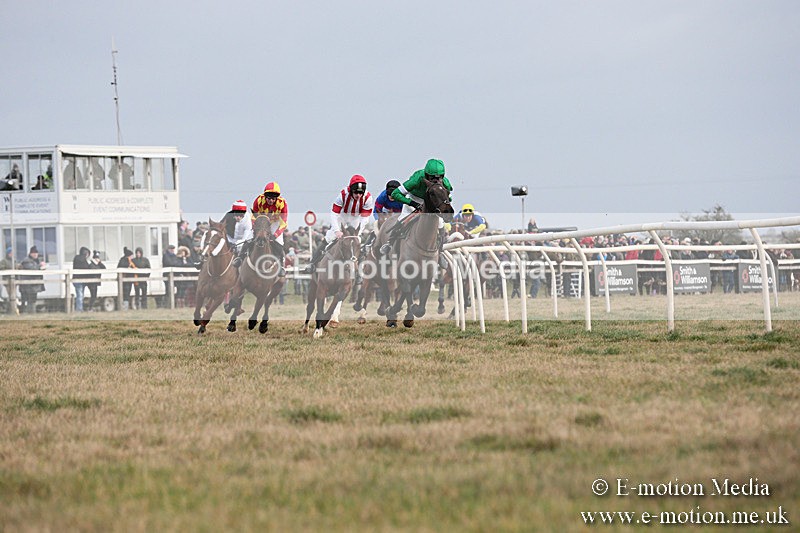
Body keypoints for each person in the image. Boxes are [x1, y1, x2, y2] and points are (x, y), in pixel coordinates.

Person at [379, 159, 452, 261]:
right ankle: (389, 244)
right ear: (426, 175)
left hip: (431, 203)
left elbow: (449, 198)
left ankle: (440, 252)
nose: (435, 181)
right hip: (413, 200)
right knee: (402, 220)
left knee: (440, 223)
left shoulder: (445, 183)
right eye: (431, 178)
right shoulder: (417, 178)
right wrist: (412, 203)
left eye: (439, 178)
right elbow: (395, 193)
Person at [304, 174, 374, 273]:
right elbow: (334, 213)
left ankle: (359, 270)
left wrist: (358, 232)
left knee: (357, 241)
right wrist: (337, 231)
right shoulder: (343, 195)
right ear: (351, 190)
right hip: (342, 216)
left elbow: (365, 217)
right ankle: (312, 264)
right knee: (329, 237)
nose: (358, 195)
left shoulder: (368, 198)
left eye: (360, 193)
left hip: (356, 218)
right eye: (356, 193)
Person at [237, 183, 288, 276]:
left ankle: (281, 266)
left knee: (280, 243)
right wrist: (255, 228)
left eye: (273, 198)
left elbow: (283, 223)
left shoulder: (282, 204)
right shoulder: (258, 200)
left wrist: (275, 235)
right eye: (269, 198)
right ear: (265, 197)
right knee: (248, 238)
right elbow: (253, 217)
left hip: (275, 222)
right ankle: (240, 258)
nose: (271, 200)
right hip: (261, 221)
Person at [19, 246, 45, 313]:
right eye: (33, 253)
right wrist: (40, 266)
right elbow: (32, 269)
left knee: (33, 299)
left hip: (34, 284)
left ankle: (32, 313)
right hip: (27, 285)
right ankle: (28, 313)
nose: (35, 254)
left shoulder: (36, 260)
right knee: (28, 299)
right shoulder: (26, 261)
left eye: (36, 253)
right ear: (30, 253)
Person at [71, 246, 92, 312]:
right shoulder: (83, 260)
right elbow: (86, 267)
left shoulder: (76, 258)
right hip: (80, 279)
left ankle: (79, 308)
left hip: (76, 279)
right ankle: (79, 309)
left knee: (80, 294)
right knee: (80, 295)